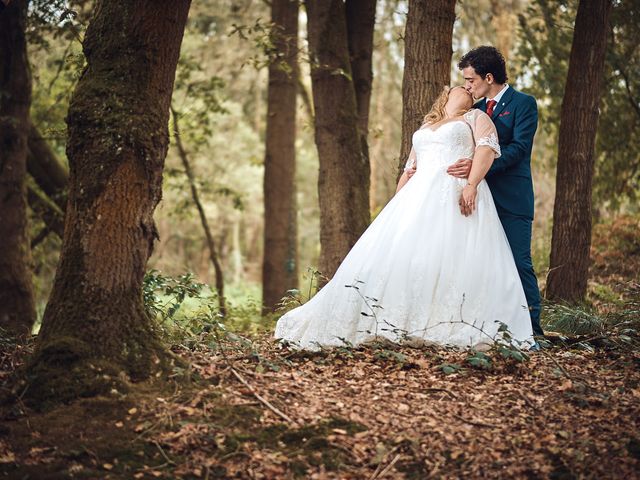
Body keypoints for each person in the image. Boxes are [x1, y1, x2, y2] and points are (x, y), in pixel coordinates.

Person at [274, 86, 534, 350]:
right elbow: (411, 168)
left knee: (451, 257)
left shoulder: (476, 117)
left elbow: (486, 151)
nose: (468, 88)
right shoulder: (428, 124)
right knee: (406, 258)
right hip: (418, 197)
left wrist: (472, 184)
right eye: (461, 85)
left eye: (471, 85)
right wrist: (398, 202)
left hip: (454, 192)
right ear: (446, 94)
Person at [447, 46, 544, 338]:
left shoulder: (524, 104)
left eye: (470, 80)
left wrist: (480, 166)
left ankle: (533, 331)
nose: (467, 86)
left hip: (512, 199)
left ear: (488, 77)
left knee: (518, 263)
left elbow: (518, 149)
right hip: (477, 201)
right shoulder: (473, 111)